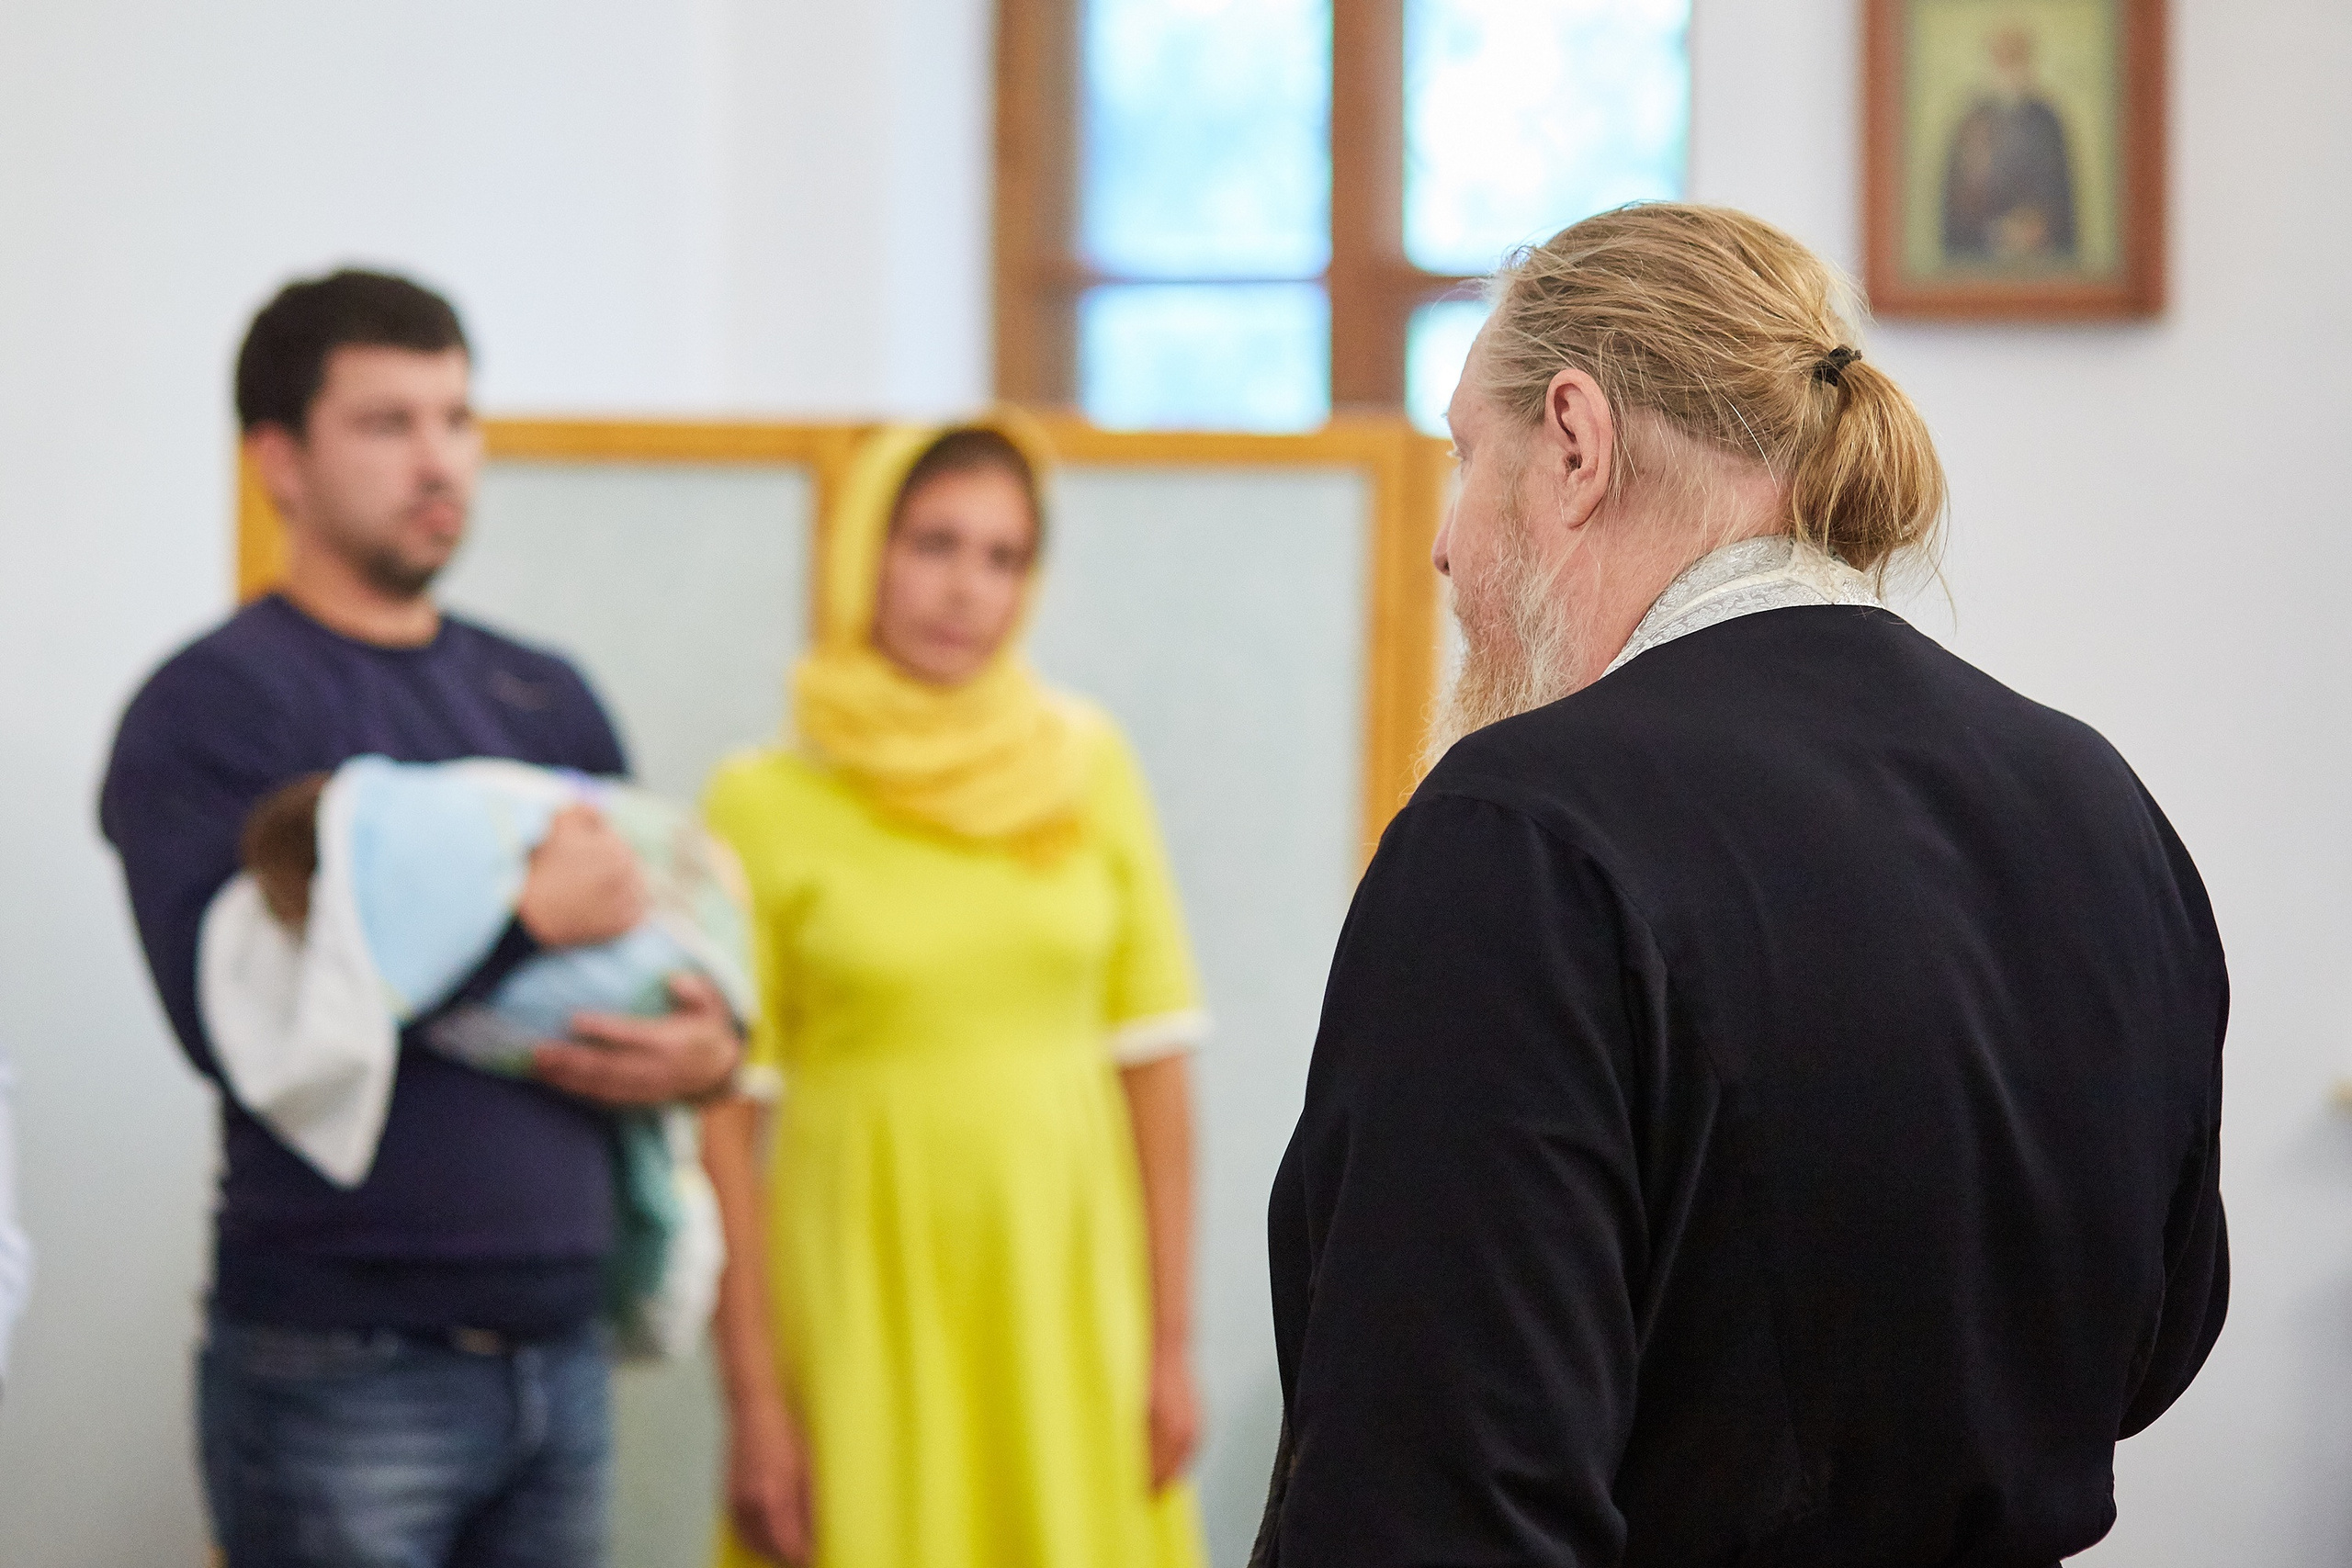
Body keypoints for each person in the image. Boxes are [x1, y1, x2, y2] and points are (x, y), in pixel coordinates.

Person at [1252, 204, 2227, 1566]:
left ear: (1576, 442)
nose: (1445, 543)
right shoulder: (2095, 800)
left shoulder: (1519, 834)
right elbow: (2155, 1337)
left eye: (1466, 456)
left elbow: (1432, 1490)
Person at [99, 269, 741, 1567]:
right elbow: (235, 1018)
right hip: (341, 1365)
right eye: (388, 423)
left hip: (566, 1359)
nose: (439, 459)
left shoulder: (548, 697)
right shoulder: (214, 707)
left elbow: (646, 941)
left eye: (457, 417)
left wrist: (710, 1047)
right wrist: (521, 916)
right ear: (279, 461)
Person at [701, 417, 1210, 1568]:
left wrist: (1170, 1344)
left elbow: (1156, 1066)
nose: (966, 588)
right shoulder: (761, 799)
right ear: (863, 553)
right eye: (932, 543)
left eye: (1003, 556)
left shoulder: (1087, 763)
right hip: (859, 1284)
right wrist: (754, 1400)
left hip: (1065, 1282)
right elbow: (723, 1124)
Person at [1942, 25, 2078, 263]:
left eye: (2015, 56)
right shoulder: (1973, 120)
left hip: (2040, 253)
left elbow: (2060, 195)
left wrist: (2037, 225)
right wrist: (1996, 232)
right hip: (1983, 252)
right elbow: (1958, 205)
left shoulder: (2046, 120)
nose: (2009, 66)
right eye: (2002, 57)